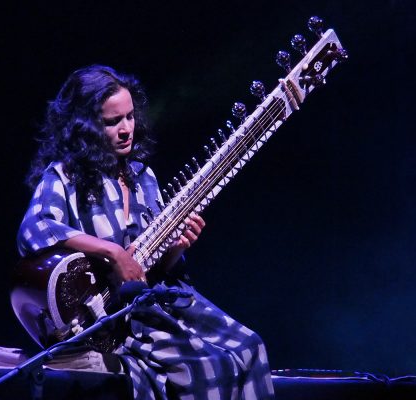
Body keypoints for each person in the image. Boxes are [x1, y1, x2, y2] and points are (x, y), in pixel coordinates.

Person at [17, 64, 275, 399]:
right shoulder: (65, 178)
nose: (126, 129)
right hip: (115, 317)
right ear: (86, 127)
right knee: (207, 369)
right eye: (112, 122)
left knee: (250, 347)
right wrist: (112, 252)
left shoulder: (143, 177)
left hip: (156, 301)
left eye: (129, 117)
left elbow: (154, 267)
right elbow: (34, 229)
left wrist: (177, 246)